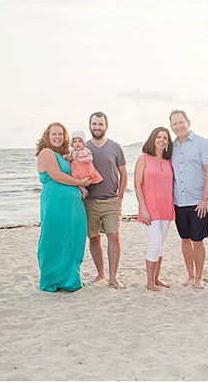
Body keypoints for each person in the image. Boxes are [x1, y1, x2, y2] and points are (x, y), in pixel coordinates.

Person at [35, 122, 91, 292]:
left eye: (61, 134)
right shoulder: (46, 153)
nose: (58, 137)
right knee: (54, 238)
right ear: (47, 136)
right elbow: (57, 176)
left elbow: (72, 172)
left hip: (71, 206)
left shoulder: (63, 156)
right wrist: (80, 182)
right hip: (55, 204)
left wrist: (80, 187)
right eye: (54, 134)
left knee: (72, 239)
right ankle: (51, 279)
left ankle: (69, 279)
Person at [169, 110, 208, 290]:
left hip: (198, 202)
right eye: (174, 124)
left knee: (198, 240)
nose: (178, 126)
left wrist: (205, 199)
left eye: (181, 122)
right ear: (171, 126)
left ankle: (199, 278)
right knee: (185, 239)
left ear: (188, 122)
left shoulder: (201, 143)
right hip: (178, 202)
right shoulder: (171, 147)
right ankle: (190, 275)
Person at [84, 111, 128, 289]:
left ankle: (113, 277)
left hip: (111, 200)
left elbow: (124, 174)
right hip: (89, 202)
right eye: (94, 124)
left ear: (106, 126)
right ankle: (100, 273)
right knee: (94, 239)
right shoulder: (83, 148)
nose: (97, 127)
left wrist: (120, 197)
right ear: (90, 125)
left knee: (114, 237)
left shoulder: (115, 147)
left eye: (100, 124)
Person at [134, 127, 175, 292]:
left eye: (165, 138)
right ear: (153, 139)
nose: (162, 140)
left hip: (166, 208)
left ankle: (156, 279)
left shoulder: (168, 161)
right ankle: (149, 282)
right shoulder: (143, 158)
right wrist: (143, 208)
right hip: (150, 209)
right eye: (158, 137)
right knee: (154, 243)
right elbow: (137, 185)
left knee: (160, 244)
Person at [65, 130, 103, 199]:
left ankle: (87, 190)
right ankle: (84, 190)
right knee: (76, 181)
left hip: (85, 170)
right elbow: (71, 158)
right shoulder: (73, 151)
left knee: (85, 180)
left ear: (83, 143)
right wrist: (66, 157)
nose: (77, 143)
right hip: (76, 171)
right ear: (72, 144)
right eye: (75, 141)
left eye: (80, 141)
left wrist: (83, 160)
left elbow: (90, 158)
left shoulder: (85, 150)